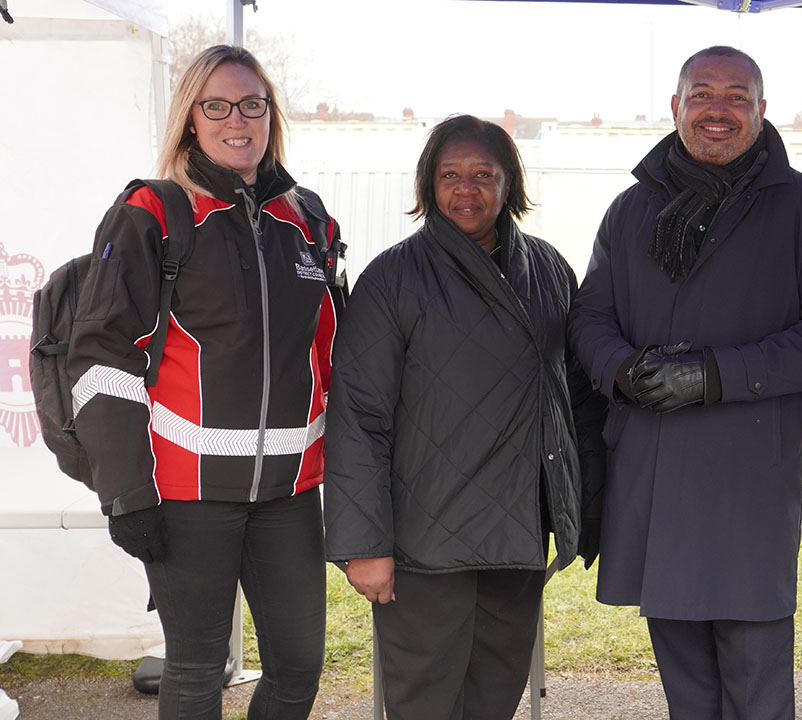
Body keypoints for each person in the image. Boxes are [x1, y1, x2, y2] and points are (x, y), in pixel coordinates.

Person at [569, 47, 802, 718]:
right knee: (687, 688)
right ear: (676, 107)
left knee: (757, 686)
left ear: (762, 111)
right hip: (653, 468)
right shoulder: (631, 209)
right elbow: (589, 316)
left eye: (737, 96)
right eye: (702, 94)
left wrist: (714, 374)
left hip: (747, 476)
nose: (718, 110)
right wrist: (623, 369)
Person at [68, 45, 344, 718]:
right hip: (186, 495)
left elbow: (334, 357)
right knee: (195, 672)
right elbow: (101, 359)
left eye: (251, 104)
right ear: (190, 118)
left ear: (270, 113)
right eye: (216, 106)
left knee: (299, 670)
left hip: (289, 496)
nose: (236, 120)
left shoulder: (309, 221)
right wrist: (127, 494)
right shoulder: (154, 212)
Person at [323, 114, 605, 720]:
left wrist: (585, 510)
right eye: (450, 175)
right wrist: (363, 545)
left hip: (518, 535)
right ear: (429, 184)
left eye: (484, 174)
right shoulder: (392, 278)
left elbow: (576, 399)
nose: (466, 190)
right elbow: (358, 419)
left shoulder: (549, 270)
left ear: (510, 183)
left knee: (494, 701)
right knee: (424, 705)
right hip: (425, 546)